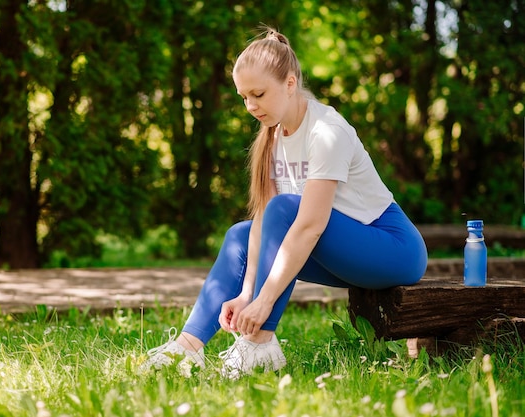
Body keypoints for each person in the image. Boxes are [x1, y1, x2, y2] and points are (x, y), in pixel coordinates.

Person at [141, 28, 427, 379]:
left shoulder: (326, 131)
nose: (250, 106)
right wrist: (247, 293)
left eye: (258, 94)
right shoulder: (275, 135)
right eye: (243, 97)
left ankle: (260, 344)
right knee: (240, 234)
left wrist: (264, 303)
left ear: (290, 83)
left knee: (283, 210)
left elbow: (307, 226)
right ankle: (187, 347)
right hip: (342, 249)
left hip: (392, 250)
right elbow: (266, 222)